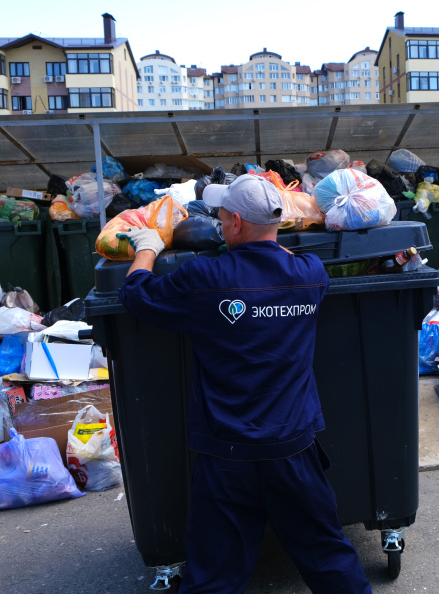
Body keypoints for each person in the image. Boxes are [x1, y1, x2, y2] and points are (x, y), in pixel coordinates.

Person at [118, 174, 371, 593]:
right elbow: (278, 269)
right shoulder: (310, 274)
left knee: (214, 574)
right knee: (328, 555)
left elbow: (137, 297)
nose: (217, 222)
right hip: (293, 449)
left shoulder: (204, 277)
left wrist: (147, 249)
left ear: (235, 222)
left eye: (220, 216)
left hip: (227, 454)